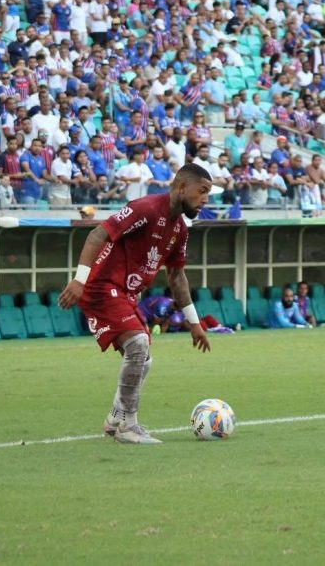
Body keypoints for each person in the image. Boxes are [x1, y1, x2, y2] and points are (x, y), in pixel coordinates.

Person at [57, 164, 213, 445]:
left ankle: (116, 417)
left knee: (145, 361)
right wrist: (79, 280)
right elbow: (97, 235)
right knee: (138, 344)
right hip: (100, 286)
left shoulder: (180, 229)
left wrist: (194, 323)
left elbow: (177, 276)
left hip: (126, 294)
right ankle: (128, 426)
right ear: (181, 188)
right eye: (202, 192)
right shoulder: (146, 209)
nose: (205, 199)